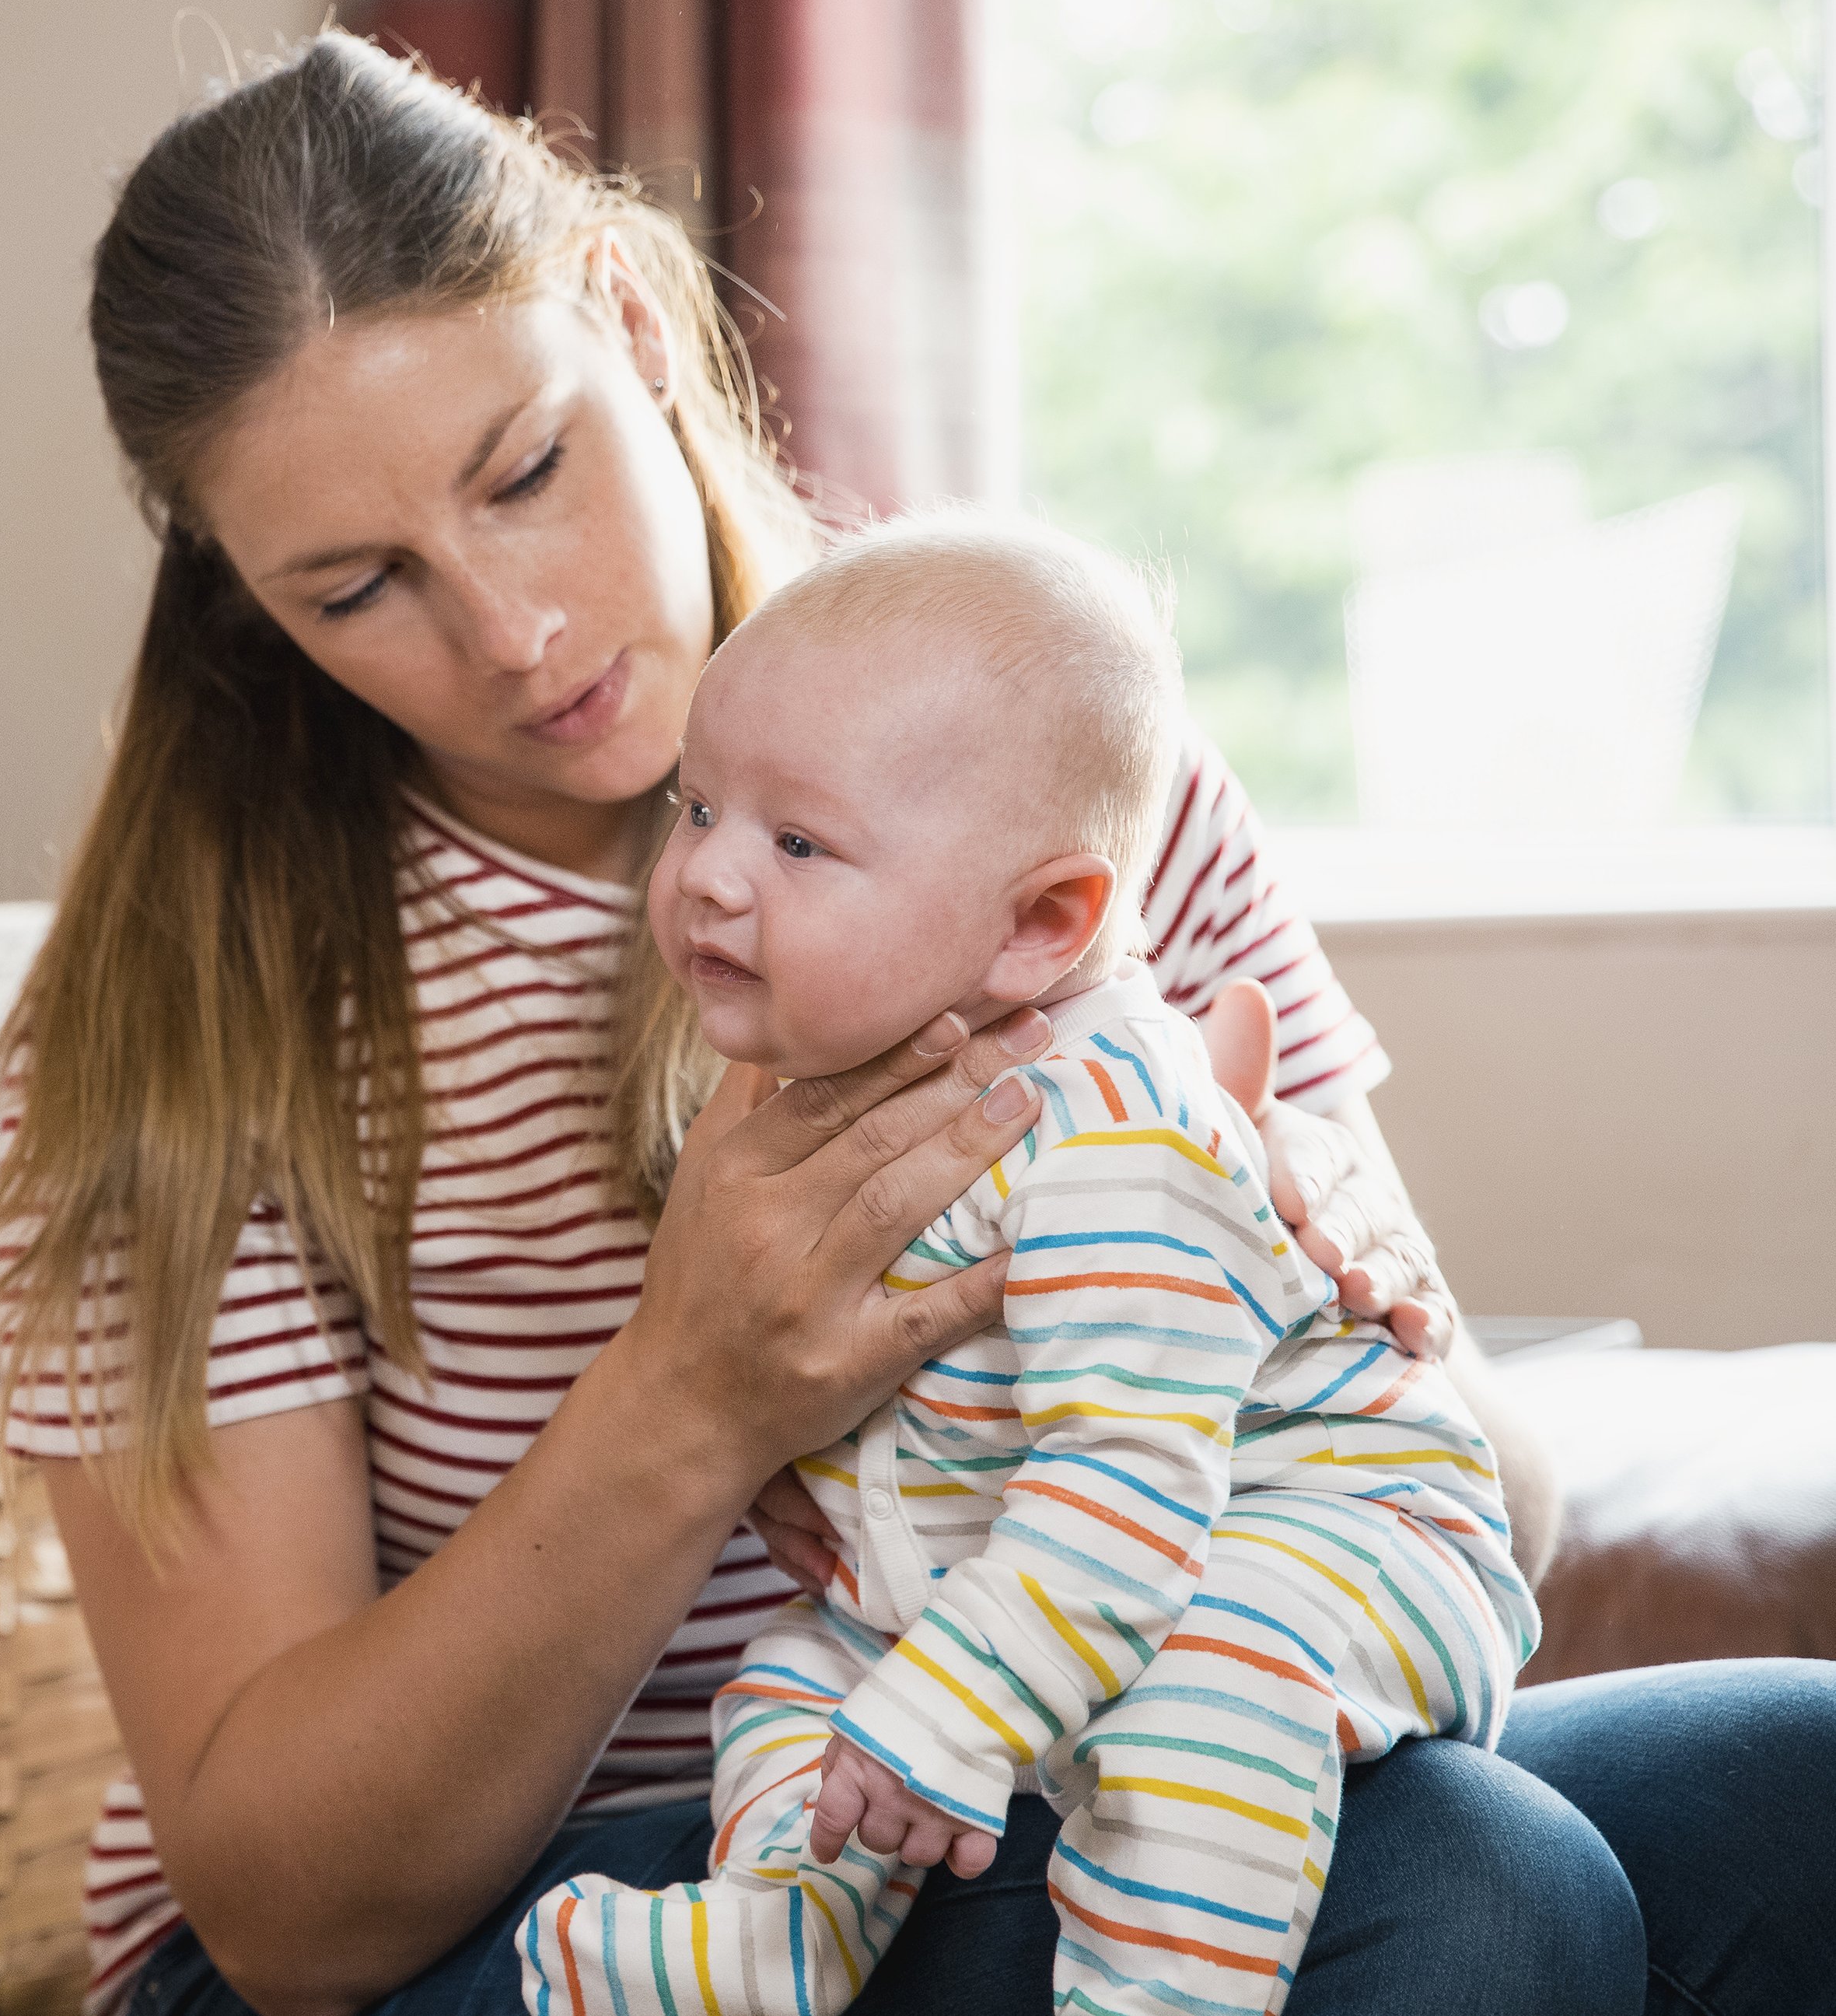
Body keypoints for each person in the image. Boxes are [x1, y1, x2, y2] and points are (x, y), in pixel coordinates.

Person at [0, 31, 1836, 2016]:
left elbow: (1479, 1503)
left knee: (1798, 1779)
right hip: (483, 1915)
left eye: (526, 469)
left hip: (1039, 1762)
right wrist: (691, 1394)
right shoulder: (191, 1031)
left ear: (626, 320)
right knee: (1471, 1891)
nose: (509, 630)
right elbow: (282, 1911)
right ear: (247, 600)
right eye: (357, 587)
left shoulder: (1049, 775)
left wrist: (1299, 1299)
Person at [522, 514, 1531, 2016]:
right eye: (699, 809)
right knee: (793, 1677)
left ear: (1043, 923)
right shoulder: (838, 1071)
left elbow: (1129, 1490)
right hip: (1039, 1587)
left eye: (796, 843)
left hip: (1319, 1538)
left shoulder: (1118, 1131)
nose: (711, 879)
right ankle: (775, 1930)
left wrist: (953, 1708)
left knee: (1207, 1702)